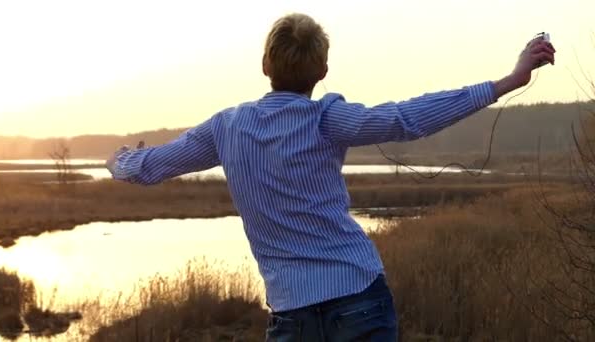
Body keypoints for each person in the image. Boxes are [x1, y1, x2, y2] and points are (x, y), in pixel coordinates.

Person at [106, 13, 555, 342]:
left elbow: (153, 166)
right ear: (321, 71)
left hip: (292, 315)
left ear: (266, 65)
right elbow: (407, 118)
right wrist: (505, 82)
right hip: (359, 297)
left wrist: (121, 162)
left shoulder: (226, 128)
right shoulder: (327, 119)